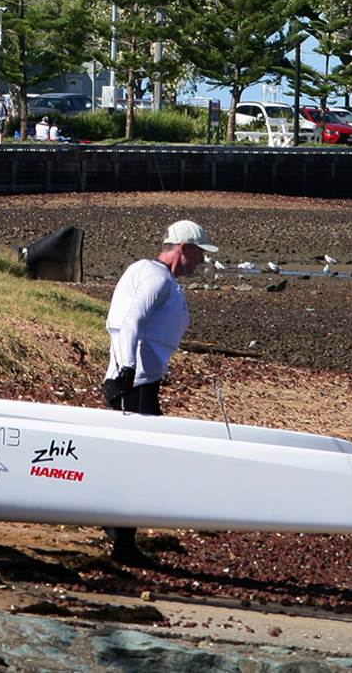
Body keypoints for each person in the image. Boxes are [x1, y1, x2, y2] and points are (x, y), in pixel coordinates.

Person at [101, 219, 215, 562]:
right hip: (135, 383)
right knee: (141, 461)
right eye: (199, 254)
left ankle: (119, 534)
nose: (203, 261)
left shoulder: (160, 278)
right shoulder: (155, 276)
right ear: (183, 249)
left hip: (141, 380)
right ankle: (120, 540)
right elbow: (131, 319)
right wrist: (125, 370)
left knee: (136, 460)